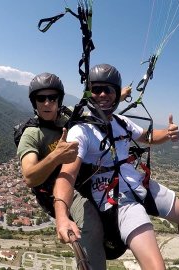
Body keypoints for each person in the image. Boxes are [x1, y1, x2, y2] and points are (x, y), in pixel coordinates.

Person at [53, 64, 179, 269]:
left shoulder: (121, 122)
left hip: (137, 184)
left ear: (116, 94)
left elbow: (146, 136)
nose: (102, 94)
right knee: (156, 267)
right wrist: (61, 216)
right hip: (116, 198)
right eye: (96, 89)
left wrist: (167, 134)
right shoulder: (81, 131)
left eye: (108, 90)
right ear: (89, 93)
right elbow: (67, 174)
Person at [16, 72, 132, 269]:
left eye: (52, 98)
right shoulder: (32, 134)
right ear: (33, 102)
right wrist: (56, 156)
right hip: (56, 188)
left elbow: (95, 108)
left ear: (59, 100)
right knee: (92, 225)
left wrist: (119, 94)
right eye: (40, 98)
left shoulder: (69, 115)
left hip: (82, 176)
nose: (46, 103)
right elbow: (29, 177)